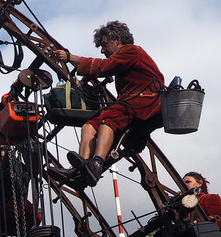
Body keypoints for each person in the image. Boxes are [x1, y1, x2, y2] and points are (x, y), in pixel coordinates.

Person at [49, 20, 164, 187]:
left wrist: (69, 57)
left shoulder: (132, 51)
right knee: (89, 126)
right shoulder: (125, 59)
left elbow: (104, 67)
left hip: (144, 100)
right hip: (130, 104)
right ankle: (80, 170)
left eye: (104, 44)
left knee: (107, 121)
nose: (102, 50)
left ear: (117, 40)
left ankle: (96, 164)